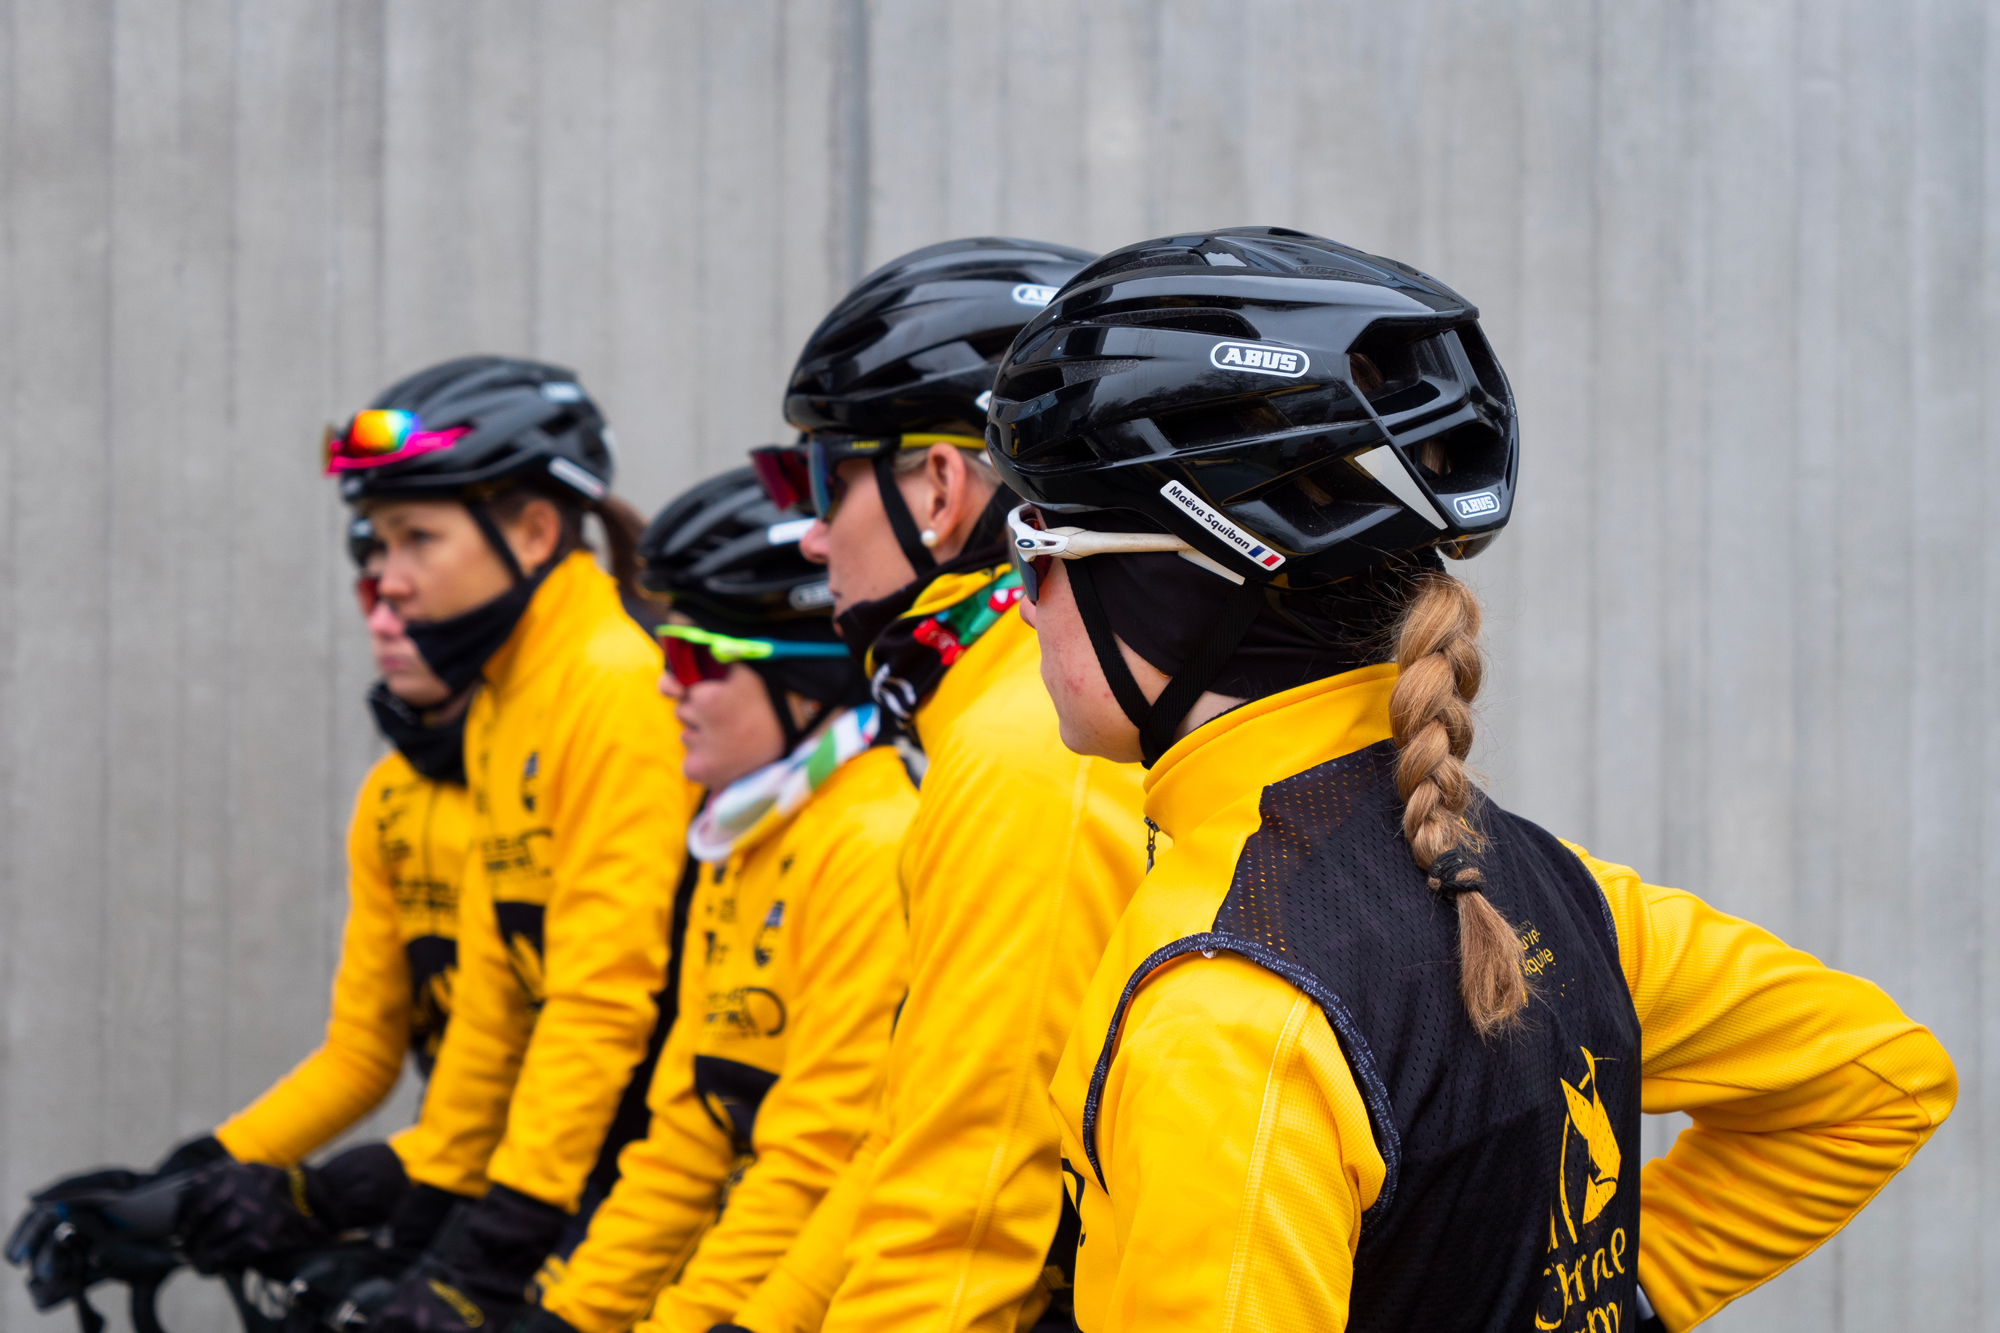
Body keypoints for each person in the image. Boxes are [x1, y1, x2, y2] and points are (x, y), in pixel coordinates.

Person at [985, 226, 1959, 1332]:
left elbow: (1882, 1082)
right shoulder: (1540, 884)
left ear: (1178, 588)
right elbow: (1876, 1077)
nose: (1022, 601)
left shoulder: (1225, 1019)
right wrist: (1619, 1297)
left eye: (1036, 550)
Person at [733, 238, 1147, 1333]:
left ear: (936, 484)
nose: (810, 533)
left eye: (817, 476)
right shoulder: (1004, 715)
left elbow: (957, 1220)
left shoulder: (1024, 752)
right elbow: (907, 1126)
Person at [323, 357, 700, 1333]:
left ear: (532, 531)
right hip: (567, 1163)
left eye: (418, 539)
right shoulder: (503, 695)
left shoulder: (615, 681)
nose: (386, 577)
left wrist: (501, 1234)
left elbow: (602, 996)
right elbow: (496, 995)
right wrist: (436, 1201)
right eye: (378, 540)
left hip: (659, 1188)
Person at [521, 469, 915, 1333]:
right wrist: (572, 1314)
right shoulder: (746, 834)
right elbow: (688, 1127)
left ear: (805, 683)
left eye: (694, 658)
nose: (666, 686)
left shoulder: (872, 840)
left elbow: (817, 1159)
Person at [168, 516, 475, 1274]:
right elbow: (363, 1050)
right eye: (370, 594)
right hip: (461, 1170)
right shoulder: (392, 794)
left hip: (578, 1193)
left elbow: (579, 1056)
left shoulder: (577, 776)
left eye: (406, 603)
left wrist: (354, 1187)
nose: (380, 622)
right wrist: (200, 1168)